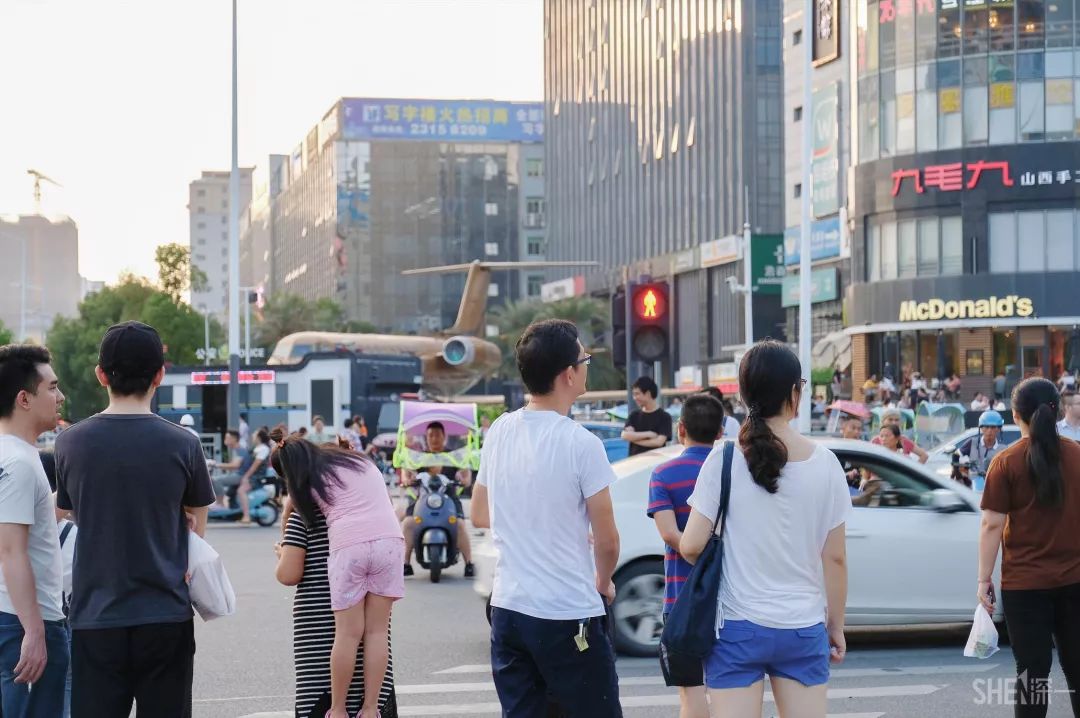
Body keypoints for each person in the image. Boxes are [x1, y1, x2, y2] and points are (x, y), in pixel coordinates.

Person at [679, 340, 849, 718]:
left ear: (743, 394)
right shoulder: (826, 465)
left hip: (737, 629)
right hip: (803, 628)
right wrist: (835, 626)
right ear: (794, 393)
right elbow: (834, 557)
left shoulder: (722, 459)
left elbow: (690, 546)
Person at [54, 321, 215, 717]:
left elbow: (69, 509)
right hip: (166, 615)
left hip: (94, 616)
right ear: (160, 375)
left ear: (101, 374)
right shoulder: (185, 444)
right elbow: (197, 521)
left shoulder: (70, 442)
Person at [470, 319, 622, 717]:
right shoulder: (582, 443)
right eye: (585, 359)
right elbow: (607, 540)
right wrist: (603, 583)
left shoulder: (500, 430)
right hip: (567, 613)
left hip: (508, 609)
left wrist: (541, 526)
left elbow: (480, 512)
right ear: (569, 374)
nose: (587, 365)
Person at [271, 438, 403, 718]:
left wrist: (283, 536)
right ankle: (370, 709)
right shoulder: (360, 462)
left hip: (350, 545)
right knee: (377, 632)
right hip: (390, 541)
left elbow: (290, 512)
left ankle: (339, 709)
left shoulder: (309, 478)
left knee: (348, 633)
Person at [978, 378, 1080, 718]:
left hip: (1025, 587)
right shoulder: (1077, 456)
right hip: (1075, 582)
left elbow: (992, 524)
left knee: (1032, 676)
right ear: (1059, 410)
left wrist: (984, 580)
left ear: (1015, 414)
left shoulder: (1006, 462)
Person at [0, 344, 68, 717]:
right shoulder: (19, 464)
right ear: (24, 399)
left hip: (14, 620)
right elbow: (11, 550)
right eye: (52, 387)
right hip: (24, 622)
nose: (60, 396)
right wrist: (35, 632)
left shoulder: (13, 457)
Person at [647, 394, 723, 718]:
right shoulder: (732, 473)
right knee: (728, 691)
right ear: (721, 431)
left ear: (681, 429)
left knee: (690, 694)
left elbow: (668, 533)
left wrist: (696, 558)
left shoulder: (663, 474)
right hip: (728, 596)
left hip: (682, 601)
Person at [400, 422, 474, 578]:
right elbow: (407, 472)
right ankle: (405, 563)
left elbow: (466, 476)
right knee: (408, 523)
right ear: (426, 438)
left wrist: (463, 478)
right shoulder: (419, 457)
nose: (434, 439)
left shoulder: (454, 456)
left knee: (459, 524)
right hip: (422, 500)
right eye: (430, 435)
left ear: (444, 437)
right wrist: (407, 478)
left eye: (437, 435)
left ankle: (469, 563)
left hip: (449, 500)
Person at [37, 451, 77, 718]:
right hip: (63, 617)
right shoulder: (73, 533)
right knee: (67, 684)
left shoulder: (14, 529)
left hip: (19, 614)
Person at [211, 428, 269, 524]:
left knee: (240, 490)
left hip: (255, 477)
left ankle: (246, 516)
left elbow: (254, 466)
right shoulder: (256, 448)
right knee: (231, 492)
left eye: (254, 434)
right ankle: (234, 511)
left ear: (259, 437)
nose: (252, 436)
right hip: (248, 475)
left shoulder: (263, 448)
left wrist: (246, 477)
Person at [622, 376, 673, 456]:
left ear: (648, 394)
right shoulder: (634, 415)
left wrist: (634, 439)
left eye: (637, 394)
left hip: (654, 464)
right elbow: (625, 435)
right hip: (634, 465)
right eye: (634, 394)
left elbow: (658, 442)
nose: (634, 398)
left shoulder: (664, 417)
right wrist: (649, 434)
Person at [962, 410, 1006, 490]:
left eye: (993, 427)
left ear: (999, 429)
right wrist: (963, 471)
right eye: (986, 427)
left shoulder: (1003, 450)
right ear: (981, 428)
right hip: (973, 490)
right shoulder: (972, 443)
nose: (989, 430)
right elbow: (956, 455)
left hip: (995, 489)